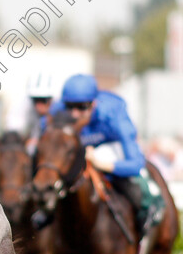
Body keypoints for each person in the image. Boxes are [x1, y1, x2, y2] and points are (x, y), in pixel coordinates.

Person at [41, 74, 160, 241]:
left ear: (93, 104)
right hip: (78, 161)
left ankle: (146, 221)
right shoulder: (57, 111)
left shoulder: (114, 115)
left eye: (81, 107)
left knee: (136, 187)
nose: (74, 114)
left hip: (109, 154)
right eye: (70, 106)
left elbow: (136, 164)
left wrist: (100, 163)